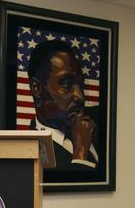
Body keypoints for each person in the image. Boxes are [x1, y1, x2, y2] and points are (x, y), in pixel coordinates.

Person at [27, 39, 98, 169]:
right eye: (66, 84)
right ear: (36, 89)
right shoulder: (31, 150)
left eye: (81, 84)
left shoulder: (100, 120)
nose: (80, 96)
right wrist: (81, 152)